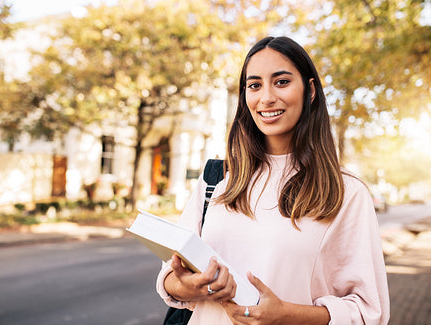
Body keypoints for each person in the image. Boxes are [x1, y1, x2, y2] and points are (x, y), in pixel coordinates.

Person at [156, 36, 390, 324]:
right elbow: (171, 275)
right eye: (254, 85)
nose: (266, 98)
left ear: (311, 90)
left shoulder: (346, 193)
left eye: (281, 82)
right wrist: (187, 285)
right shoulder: (218, 179)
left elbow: (369, 312)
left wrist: (285, 315)